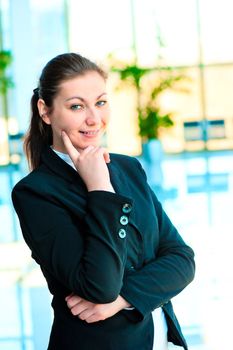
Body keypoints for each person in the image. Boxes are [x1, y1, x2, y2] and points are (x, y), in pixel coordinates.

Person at [12, 53, 195, 350]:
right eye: (76, 106)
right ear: (45, 111)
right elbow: (100, 286)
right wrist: (99, 189)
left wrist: (123, 299)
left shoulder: (128, 169)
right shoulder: (35, 193)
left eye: (100, 102)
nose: (94, 119)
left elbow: (182, 259)